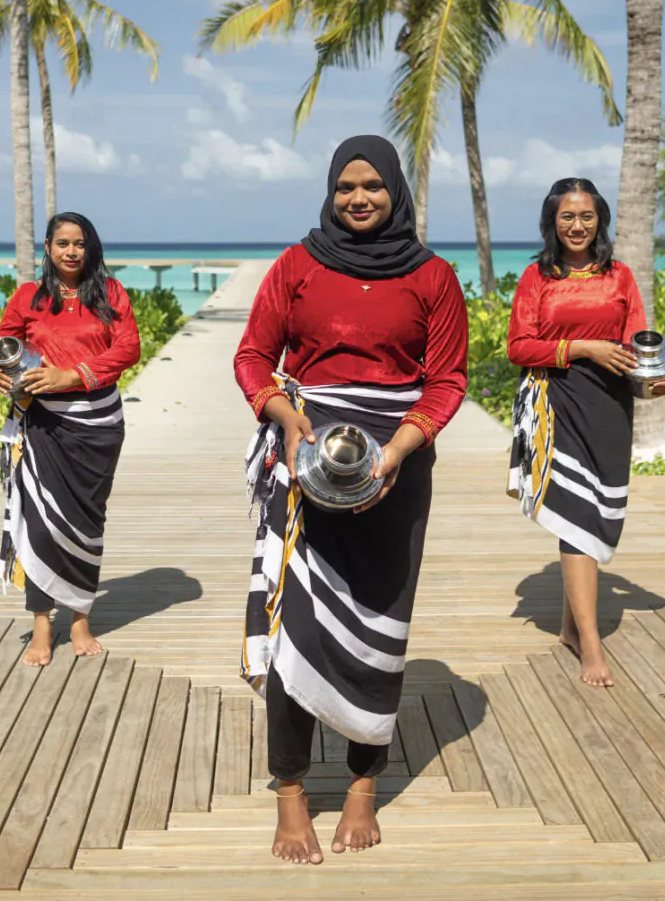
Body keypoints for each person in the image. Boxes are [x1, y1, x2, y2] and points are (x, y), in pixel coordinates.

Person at [234, 135, 468, 865]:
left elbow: (448, 379)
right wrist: (281, 413)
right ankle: (292, 792)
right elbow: (251, 356)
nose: (358, 199)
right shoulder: (297, 266)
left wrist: (398, 451)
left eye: (372, 186)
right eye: (345, 187)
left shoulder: (433, 277)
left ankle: (364, 784)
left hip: (397, 464)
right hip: (305, 459)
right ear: (330, 192)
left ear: (395, 191)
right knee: (295, 628)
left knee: (379, 621)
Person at [506, 177, 665, 689]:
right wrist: (583, 348)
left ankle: (568, 625)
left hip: (610, 403)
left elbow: (636, 349)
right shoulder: (537, 278)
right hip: (557, 403)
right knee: (574, 514)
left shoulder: (620, 277)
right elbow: (519, 346)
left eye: (586, 216)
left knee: (601, 512)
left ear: (599, 219)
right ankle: (590, 643)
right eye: (567, 216)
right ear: (552, 221)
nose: (577, 225)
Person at [0, 212, 141, 668]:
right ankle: (43, 623)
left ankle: (81, 617)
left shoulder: (111, 293)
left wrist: (74, 374)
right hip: (42, 423)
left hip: (99, 425)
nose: (71, 251)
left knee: (87, 521)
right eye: (62, 243)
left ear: (90, 248)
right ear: (47, 248)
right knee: (42, 522)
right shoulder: (29, 296)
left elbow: (128, 348)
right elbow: (2, 341)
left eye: (79, 243)